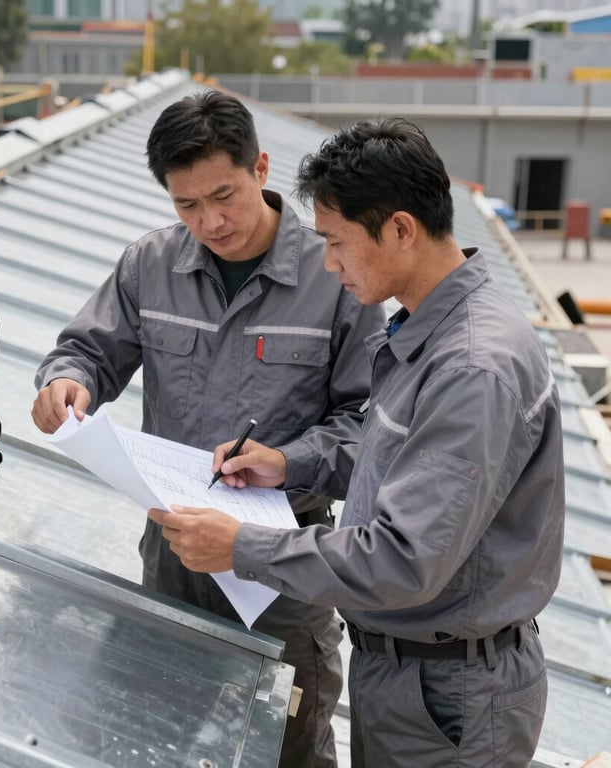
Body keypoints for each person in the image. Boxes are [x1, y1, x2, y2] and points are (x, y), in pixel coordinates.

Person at [148, 117, 566, 768]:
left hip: (449, 701)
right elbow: (388, 457)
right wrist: (287, 463)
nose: (328, 263)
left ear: (400, 228)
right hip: (410, 681)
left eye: (337, 242)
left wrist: (241, 547)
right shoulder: (428, 333)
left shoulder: (472, 368)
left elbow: (401, 560)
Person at [32, 90, 386, 767]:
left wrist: (286, 458)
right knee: (160, 727)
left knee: (290, 737)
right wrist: (64, 381)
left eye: (224, 195)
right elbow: (88, 350)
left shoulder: (337, 273)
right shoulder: (150, 265)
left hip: (282, 567)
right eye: (186, 205)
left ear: (261, 167)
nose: (211, 221)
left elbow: (370, 430)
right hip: (173, 554)